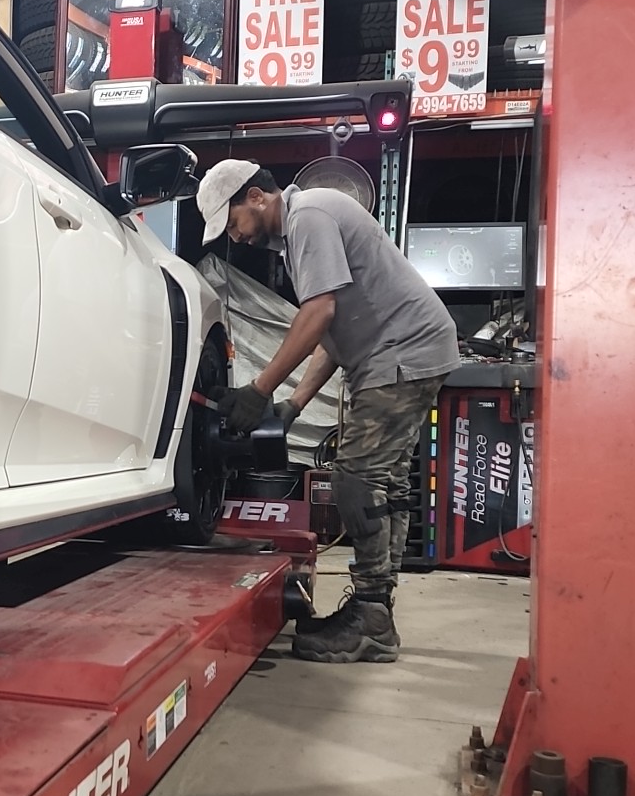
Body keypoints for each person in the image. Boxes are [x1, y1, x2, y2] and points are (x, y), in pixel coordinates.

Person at [196, 159, 459, 663]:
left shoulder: (308, 216)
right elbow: (333, 337)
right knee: (388, 484)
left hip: (401, 354)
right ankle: (375, 610)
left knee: (355, 481)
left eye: (231, 224)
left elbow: (320, 314)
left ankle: (370, 616)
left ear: (255, 196)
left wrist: (257, 388)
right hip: (403, 353)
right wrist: (292, 404)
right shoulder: (304, 228)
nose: (237, 238)